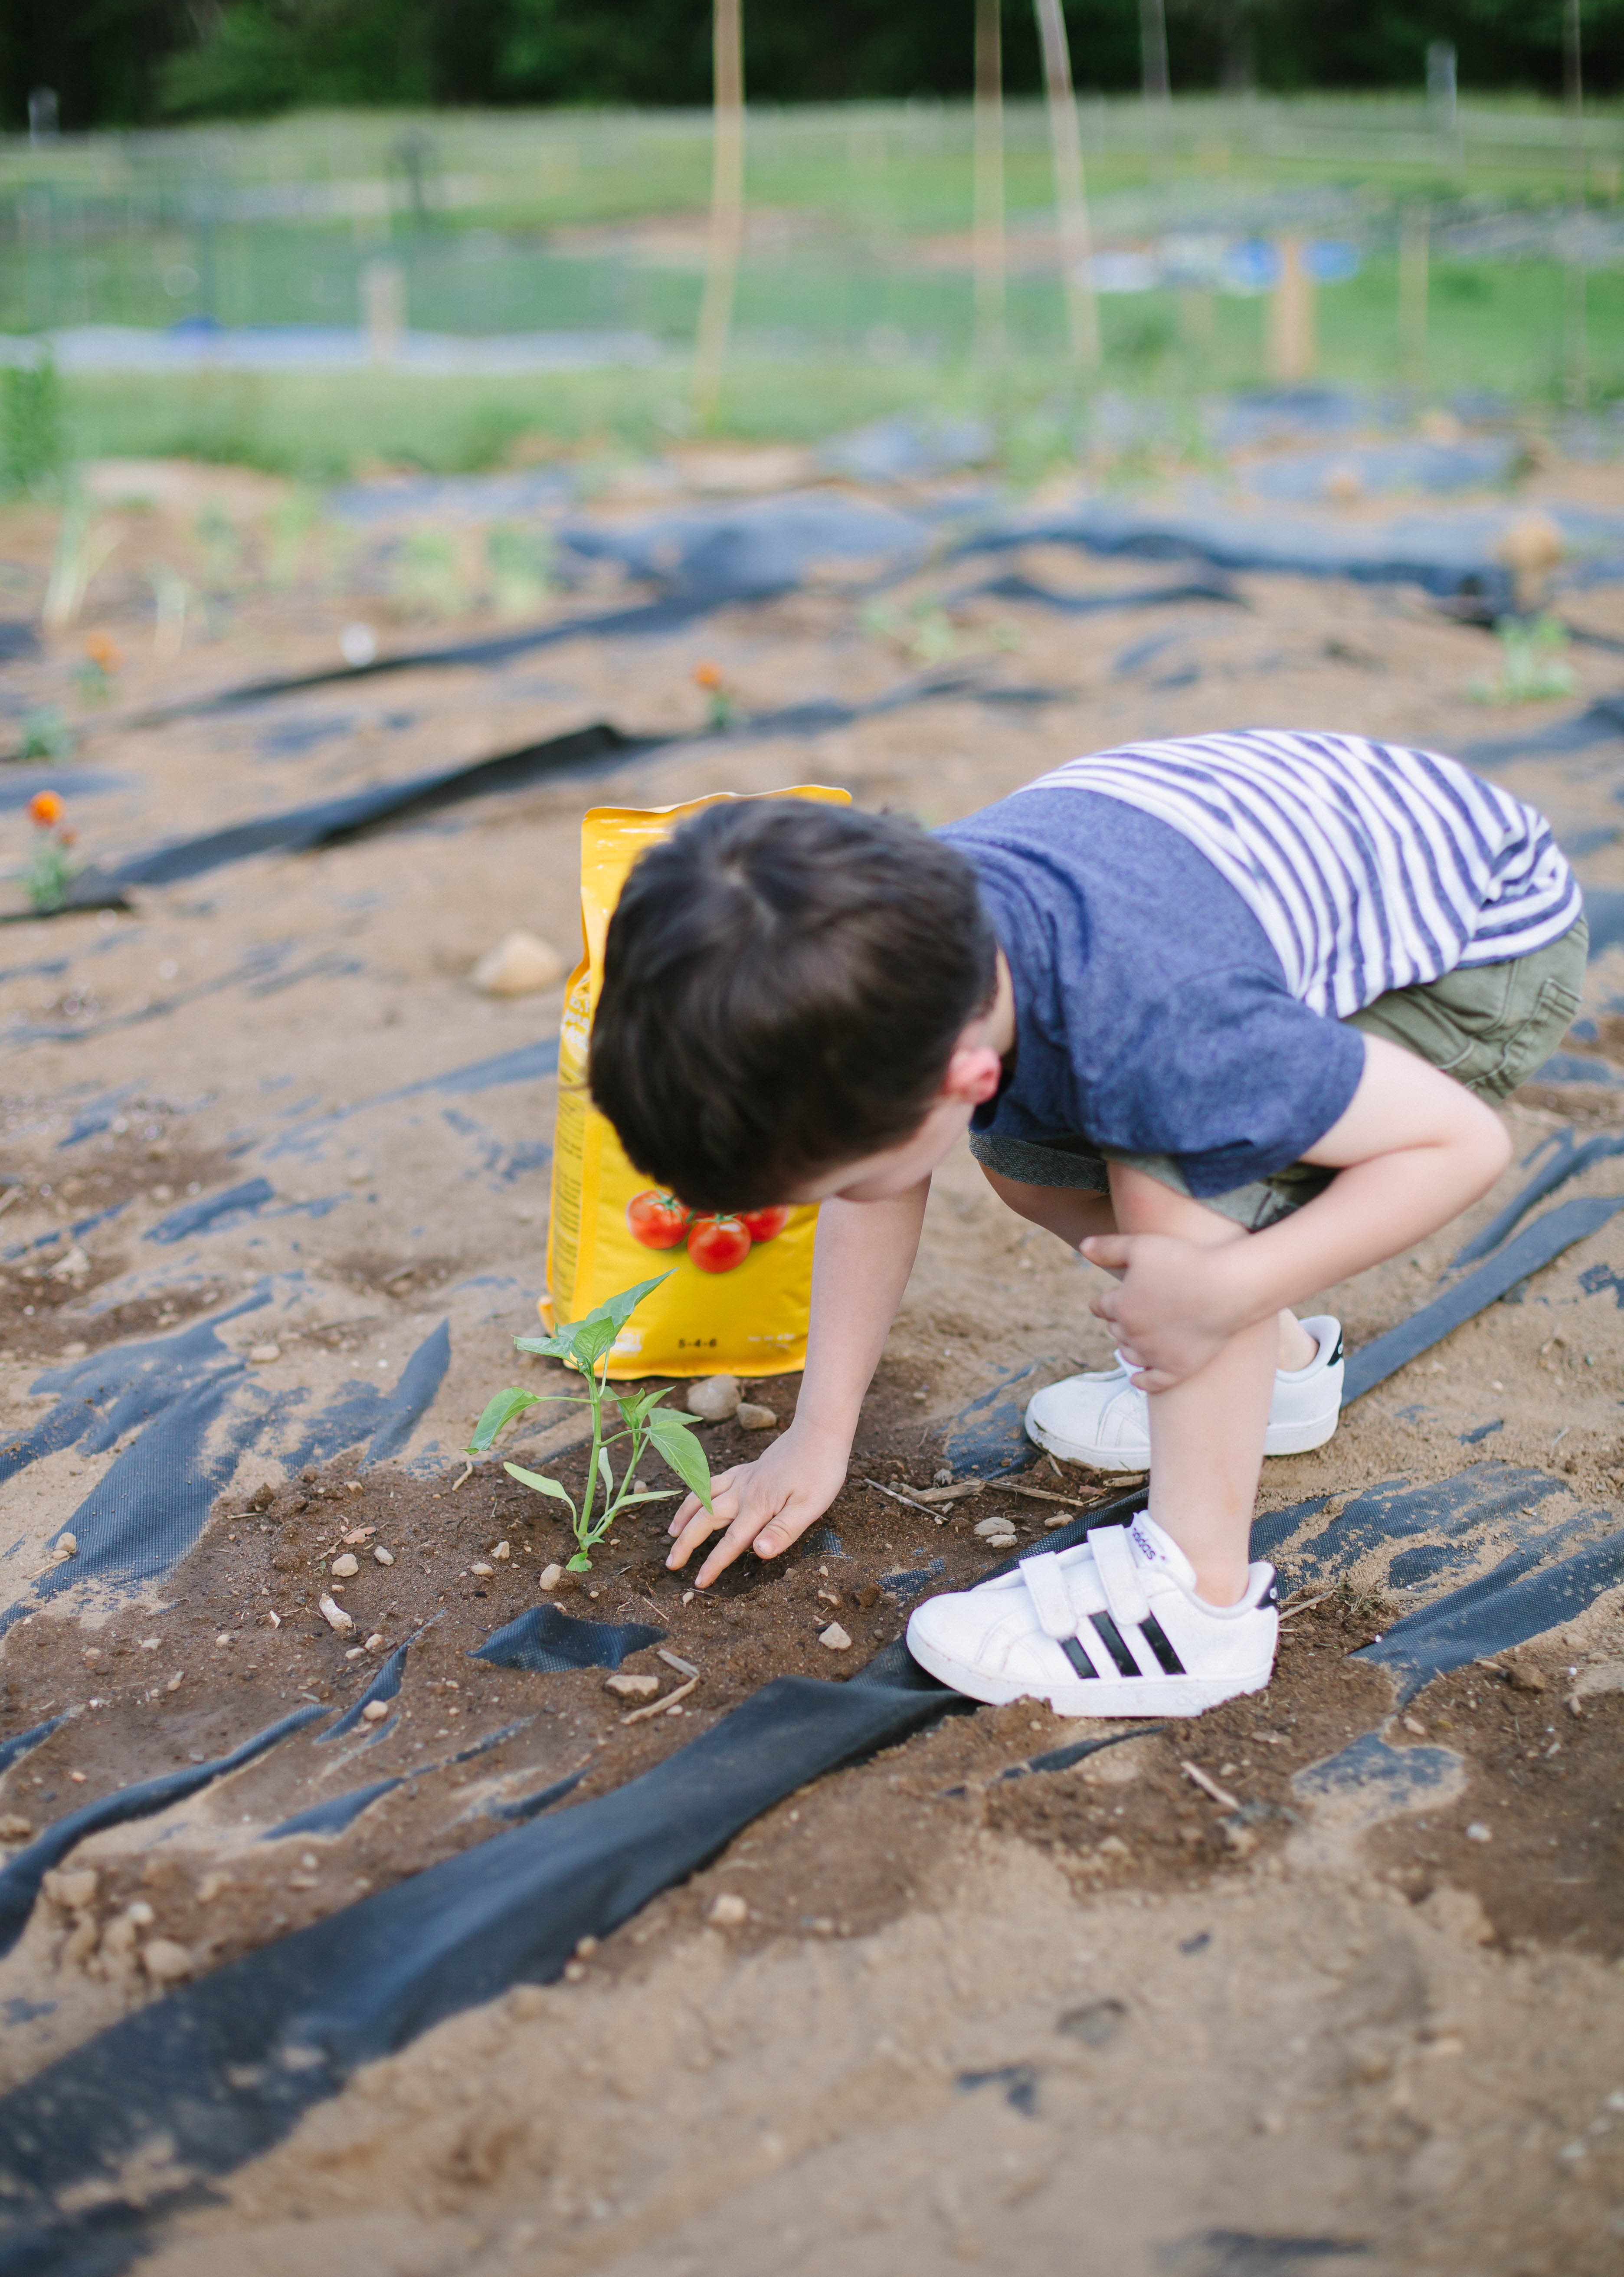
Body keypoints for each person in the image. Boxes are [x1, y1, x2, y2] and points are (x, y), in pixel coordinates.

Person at [588, 731, 1584, 1717]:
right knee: (1024, 1157)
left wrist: (1230, 1286)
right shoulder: (893, 953)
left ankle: (1197, 1597)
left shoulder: (1164, 1024)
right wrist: (818, 1433)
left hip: (1480, 946)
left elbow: (1458, 1146)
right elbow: (888, 1174)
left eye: (838, 1184)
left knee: (1173, 1181)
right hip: (1254, 888)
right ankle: (1269, 1374)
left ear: (961, 1074)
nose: (841, 1202)